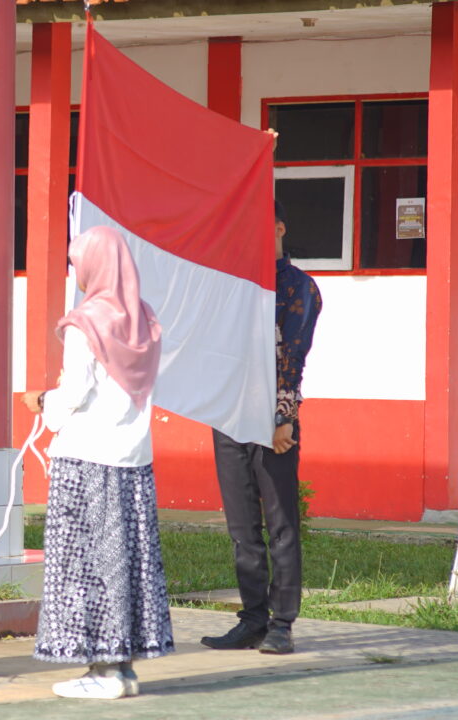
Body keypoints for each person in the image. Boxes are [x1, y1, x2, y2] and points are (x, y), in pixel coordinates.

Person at [21, 225, 173, 700]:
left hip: (87, 458)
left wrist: (42, 402)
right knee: (124, 561)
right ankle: (121, 668)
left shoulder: (85, 323)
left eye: (77, 261)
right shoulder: (145, 321)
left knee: (85, 563)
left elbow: (74, 393)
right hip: (132, 460)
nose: (76, 271)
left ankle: (102, 672)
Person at [201, 199, 322, 655]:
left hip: (272, 420)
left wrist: (284, 417)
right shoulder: (233, 288)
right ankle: (252, 618)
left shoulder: (299, 287)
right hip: (228, 416)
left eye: (261, 227)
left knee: (281, 525)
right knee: (242, 528)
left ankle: (282, 624)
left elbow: (293, 357)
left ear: (279, 227)